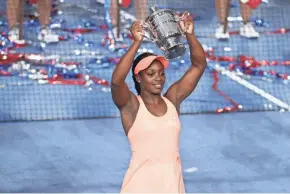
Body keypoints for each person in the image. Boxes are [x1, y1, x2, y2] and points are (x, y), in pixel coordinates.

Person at [111, 11, 207, 193]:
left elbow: (198, 65)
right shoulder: (131, 106)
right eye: (151, 74)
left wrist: (190, 35)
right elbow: (116, 81)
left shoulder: (172, 100)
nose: (158, 78)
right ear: (138, 78)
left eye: (161, 73)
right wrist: (136, 42)